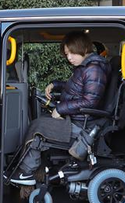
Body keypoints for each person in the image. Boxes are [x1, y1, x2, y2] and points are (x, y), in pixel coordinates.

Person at [9, 30, 109, 186]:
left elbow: (90, 102)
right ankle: (31, 169)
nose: (69, 58)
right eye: (67, 54)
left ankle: (27, 172)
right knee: (39, 122)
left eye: (72, 53)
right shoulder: (85, 67)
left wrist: (60, 109)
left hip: (82, 125)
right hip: (76, 118)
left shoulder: (94, 69)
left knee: (38, 127)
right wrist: (55, 84)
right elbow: (76, 88)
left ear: (83, 48)